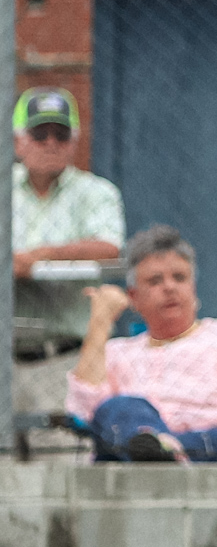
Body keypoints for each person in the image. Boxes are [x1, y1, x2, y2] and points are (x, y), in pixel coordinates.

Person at [66, 225, 217, 462]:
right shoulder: (118, 352)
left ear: (193, 289)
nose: (169, 287)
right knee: (119, 407)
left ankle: (166, 452)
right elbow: (83, 411)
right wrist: (100, 322)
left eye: (179, 277)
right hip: (137, 449)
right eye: (155, 281)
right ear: (133, 297)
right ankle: (159, 450)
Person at [11, 87, 124, 413]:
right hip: (5, 359)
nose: (50, 143)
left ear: (74, 142)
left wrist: (38, 258)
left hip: (64, 357)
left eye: (61, 135)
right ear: (19, 141)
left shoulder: (95, 193)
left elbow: (108, 248)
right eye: (39, 133)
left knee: (60, 456)